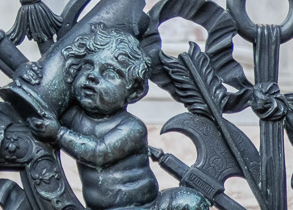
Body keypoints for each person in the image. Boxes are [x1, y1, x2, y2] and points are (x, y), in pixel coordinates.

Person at [28, 26, 206, 210]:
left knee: (191, 202)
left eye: (110, 73)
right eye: (87, 66)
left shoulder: (132, 128)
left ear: (134, 91)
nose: (92, 76)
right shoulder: (73, 116)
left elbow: (99, 153)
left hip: (146, 206)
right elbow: (49, 85)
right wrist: (32, 72)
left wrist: (58, 134)